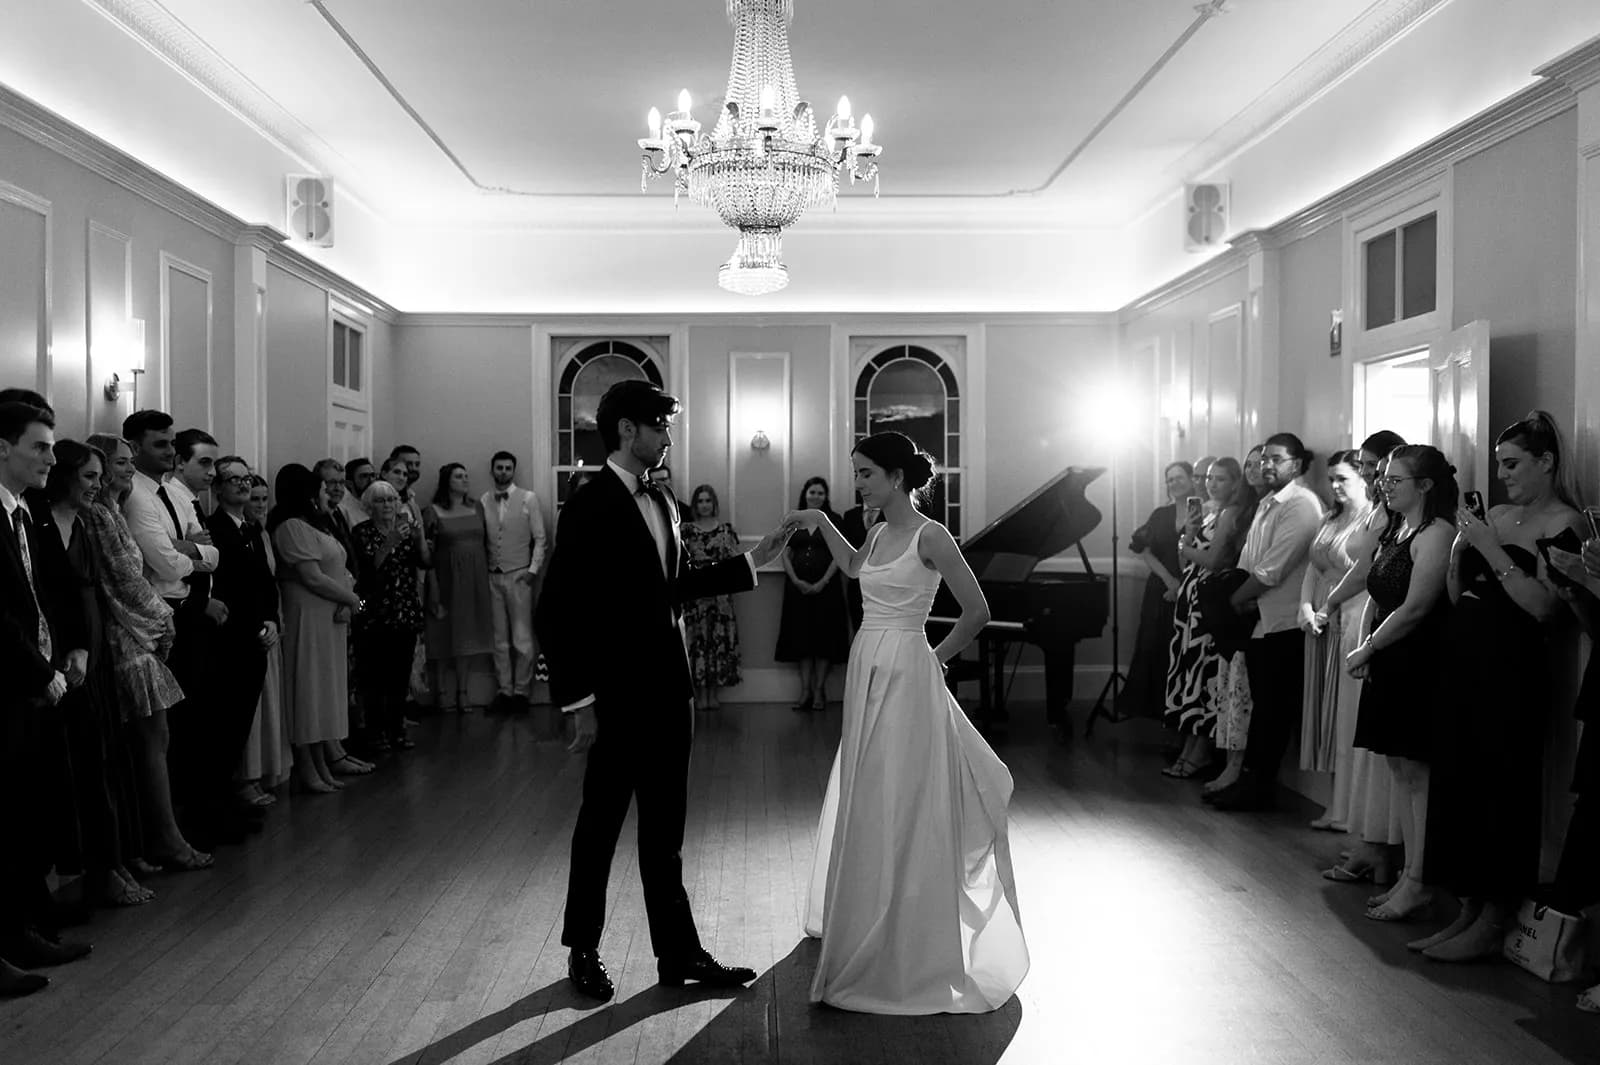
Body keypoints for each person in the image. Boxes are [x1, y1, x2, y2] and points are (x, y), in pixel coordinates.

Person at [533, 379, 796, 1003]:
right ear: (628, 430)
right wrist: (580, 702)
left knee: (666, 831)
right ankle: (584, 949)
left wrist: (754, 560)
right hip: (617, 696)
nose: (669, 437)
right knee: (599, 825)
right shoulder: (589, 504)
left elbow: (671, 587)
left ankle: (678, 953)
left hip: (671, 690)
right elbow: (556, 612)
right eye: (661, 426)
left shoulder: (666, 500)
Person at [789, 431, 1028, 1013]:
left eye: (867, 473)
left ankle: (906, 923)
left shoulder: (932, 535)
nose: (859, 482)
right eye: (857, 472)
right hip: (866, 660)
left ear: (897, 478)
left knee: (901, 791)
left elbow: (978, 611)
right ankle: (863, 904)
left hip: (906, 666)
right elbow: (852, 567)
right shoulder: (873, 533)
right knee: (866, 785)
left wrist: (933, 659)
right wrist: (819, 519)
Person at [1411, 412, 1583, 960]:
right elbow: (1462, 596)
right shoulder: (1501, 514)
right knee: (1459, 785)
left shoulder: (1567, 523)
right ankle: (1465, 908)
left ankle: (1494, 917)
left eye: (1512, 464)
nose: (1503, 475)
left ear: (1546, 462)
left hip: (1515, 674)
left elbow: (1544, 608)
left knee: (1501, 793)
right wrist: (1463, 550)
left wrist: (1486, 546)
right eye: (1500, 463)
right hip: (1465, 661)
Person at [30, 440, 153, 908]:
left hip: (92, 656)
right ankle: (87, 873)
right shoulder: (36, 523)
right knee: (73, 772)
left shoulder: (81, 523)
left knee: (102, 763)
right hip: (56, 662)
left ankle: (111, 865)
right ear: (62, 475)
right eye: (88, 476)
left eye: (100, 476)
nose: (97, 485)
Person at [81, 432, 209, 873]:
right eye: (117, 463)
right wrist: (163, 621)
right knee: (149, 742)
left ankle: (151, 839)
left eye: (125, 462)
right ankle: (161, 840)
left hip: (139, 631)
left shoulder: (112, 509)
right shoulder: (99, 514)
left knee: (156, 740)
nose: (128, 468)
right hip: (126, 636)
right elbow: (124, 579)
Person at [0, 402, 92, 994]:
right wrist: (39, 671)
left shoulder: (26, 508)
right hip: (12, 683)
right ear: (3, 447)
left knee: (26, 814)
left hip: (39, 681)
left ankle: (22, 926)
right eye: (39, 447)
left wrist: (75, 646)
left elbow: (51, 585)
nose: (51, 459)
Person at [1345, 445, 1456, 922]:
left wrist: (1368, 647)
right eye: (1384, 480)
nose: (1384, 487)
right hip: (1390, 657)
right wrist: (1370, 642)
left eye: (1395, 481)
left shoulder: (1437, 533)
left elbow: (1416, 607)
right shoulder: (1398, 528)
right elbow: (1377, 588)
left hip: (1419, 661)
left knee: (1419, 776)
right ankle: (1411, 875)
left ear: (1425, 485)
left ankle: (1420, 880)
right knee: (1400, 772)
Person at [1213, 433, 1322, 811]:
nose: (1266, 466)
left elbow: (1272, 569)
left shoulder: (1301, 505)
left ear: (1297, 463)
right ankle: (1248, 783)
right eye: (1263, 460)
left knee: (1275, 712)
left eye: (1276, 459)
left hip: (1284, 622)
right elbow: (1247, 561)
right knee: (1263, 708)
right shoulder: (1266, 504)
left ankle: (1259, 787)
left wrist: (1232, 600)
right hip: (1260, 620)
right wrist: (1237, 595)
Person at [1320, 430, 1407, 883]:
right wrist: (1333, 602)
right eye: (1368, 469)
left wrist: (1333, 599)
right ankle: (1365, 839)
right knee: (1357, 738)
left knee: (1376, 745)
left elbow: (1368, 568)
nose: (1372, 477)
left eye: (1376, 469)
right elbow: (1359, 566)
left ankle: (1380, 846)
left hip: (1371, 617)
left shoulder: (1396, 514)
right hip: (1355, 615)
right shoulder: (1378, 509)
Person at [270, 464, 364, 793]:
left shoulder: (317, 524)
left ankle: (324, 759)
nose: (328, 493)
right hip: (307, 617)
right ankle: (308, 766)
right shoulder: (292, 526)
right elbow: (311, 576)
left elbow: (338, 568)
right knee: (308, 688)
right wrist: (352, 599)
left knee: (326, 688)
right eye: (323, 488)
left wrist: (348, 600)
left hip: (328, 617)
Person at [1164, 456, 1253, 778]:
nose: (1210, 483)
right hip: (1189, 606)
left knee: (1202, 676)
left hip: (1205, 606)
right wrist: (1187, 536)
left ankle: (1199, 752)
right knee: (1189, 674)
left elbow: (1214, 560)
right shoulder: (1209, 510)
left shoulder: (1230, 514)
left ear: (1235, 483)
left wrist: (1185, 546)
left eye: (1220, 479)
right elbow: (1184, 560)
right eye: (1209, 477)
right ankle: (1188, 746)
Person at [1298, 450, 1373, 827]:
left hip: (1352, 617)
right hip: (1322, 622)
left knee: (1348, 716)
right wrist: (1308, 610)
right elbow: (1312, 567)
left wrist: (1328, 607)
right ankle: (1335, 804)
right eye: (1331, 479)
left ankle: (1351, 809)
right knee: (1329, 716)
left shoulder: (1371, 519)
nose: (1335, 486)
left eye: (1343, 478)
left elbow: (1361, 573)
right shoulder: (1330, 517)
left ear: (1363, 477)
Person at [205, 456, 280, 826]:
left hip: (255, 638)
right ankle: (219, 805)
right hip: (230, 641)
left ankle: (228, 802)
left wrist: (270, 620)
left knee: (240, 725)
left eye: (245, 477)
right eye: (231, 479)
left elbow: (265, 584)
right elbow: (222, 588)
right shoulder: (212, 528)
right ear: (217, 488)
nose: (242, 484)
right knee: (225, 726)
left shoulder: (250, 528)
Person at [351, 479, 430, 749]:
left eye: (392, 499)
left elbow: (425, 562)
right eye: (381, 500)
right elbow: (370, 567)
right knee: (375, 675)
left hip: (404, 609)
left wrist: (418, 537)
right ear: (369, 505)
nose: (387, 505)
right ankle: (376, 731)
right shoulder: (361, 531)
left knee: (400, 674)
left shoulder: (405, 531)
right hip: (374, 611)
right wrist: (391, 539)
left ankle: (397, 729)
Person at [775, 477, 852, 712]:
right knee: (802, 641)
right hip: (797, 592)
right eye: (812, 492)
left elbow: (838, 556)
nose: (816, 496)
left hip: (827, 591)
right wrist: (797, 580)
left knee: (824, 642)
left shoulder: (835, 520)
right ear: (805, 494)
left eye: (820, 493)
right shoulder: (793, 520)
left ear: (825, 496)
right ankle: (805, 690)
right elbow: (784, 553)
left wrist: (822, 582)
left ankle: (819, 690)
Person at [1124, 461, 1194, 720]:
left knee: (1182, 651)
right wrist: (1169, 581)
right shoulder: (1160, 515)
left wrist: (1182, 585)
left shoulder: (1204, 513)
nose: (1174, 483)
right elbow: (1142, 549)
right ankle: (1155, 711)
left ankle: (1180, 715)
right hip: (1160, 589)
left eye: (1179, 478)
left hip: (1191, 589)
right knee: (1154, 647)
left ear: (1192, 479)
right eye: (1169, 479)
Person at [423, 463, 495, 711]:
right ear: (447, 481)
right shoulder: (432, 512)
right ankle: (441, 691)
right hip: (446, 578)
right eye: (459, 476)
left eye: (466, 475)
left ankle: (463, 692)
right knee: (443, 633)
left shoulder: (477, 507)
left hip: (474, 579)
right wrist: (432, 589)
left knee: (467, 634)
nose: (465, 480)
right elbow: (427, 552)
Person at [480, 451, 547, 714]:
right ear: (492, 470)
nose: (504, 472)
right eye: (499, 468)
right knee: (498, 639)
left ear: (513, 471)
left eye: (508, 468)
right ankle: (504, 691)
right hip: (491, 575)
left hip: (519, 574)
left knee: (522, 638)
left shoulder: (528, 499)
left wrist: (532, 570)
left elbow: (540, 538)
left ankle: (521, 692)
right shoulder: (484, 500)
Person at [237, 474, 289, 802]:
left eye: (263, 498)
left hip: (271, 618)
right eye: (253, 498)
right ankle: (246, 775)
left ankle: (264, 770)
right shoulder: (241, 534)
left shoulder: (262, 533)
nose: (258, 504)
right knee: (251, 707)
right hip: (252, 624)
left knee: (269, 700)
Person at [681, 484, 743, 710]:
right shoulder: (686, 530)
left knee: (717, 643)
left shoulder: (725, 530)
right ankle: (699, 695)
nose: (704, 505)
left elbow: (735, 561)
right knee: (696, 643)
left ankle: (714, 694)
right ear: (695, 505)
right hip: (694, 596)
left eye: (708, 500)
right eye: (700, 501)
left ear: (714, 503)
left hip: (720, 597)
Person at [837, 499, 883, 633]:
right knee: (858, 624)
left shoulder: (889, 515)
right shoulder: (850, 515)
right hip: (855, 581)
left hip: (881, 579)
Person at [340, 457, 376, 529]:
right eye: (364, 476)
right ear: (349, 483)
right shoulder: (343, 511)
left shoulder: (381, 505)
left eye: (372, 475)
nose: (371, 480)